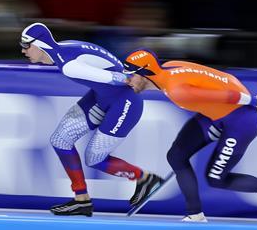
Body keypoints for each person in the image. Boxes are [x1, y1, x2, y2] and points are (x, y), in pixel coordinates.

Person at [122, 48, 257, 223]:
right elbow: (225, 77)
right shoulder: (171, 66)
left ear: (145, 73)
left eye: (130, 75)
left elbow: (225, 95)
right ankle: (195, 216)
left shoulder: (177, 90)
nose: (127, 80)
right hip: (217, 116)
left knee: (216, 178)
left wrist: (253, 100)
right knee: (176, 156)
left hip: (241, 122)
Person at [20, 23, 164, 217]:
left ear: (39, 45)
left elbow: (120, 78)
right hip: (103, 97)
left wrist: (165, 86)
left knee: (94, 159)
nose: (23, 50)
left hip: (124, 104)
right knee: (60, 140)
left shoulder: (69, 66)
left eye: (26, 45)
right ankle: (82, 200)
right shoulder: (64, 47)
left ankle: (145, 179)